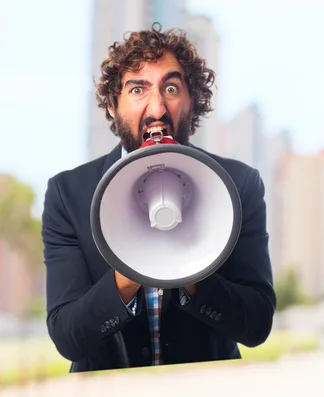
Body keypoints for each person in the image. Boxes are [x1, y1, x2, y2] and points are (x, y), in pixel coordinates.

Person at [41, 23, 276, 373]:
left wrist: (187, 265)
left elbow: (256, 326)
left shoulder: (238, 185)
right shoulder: (68, 194)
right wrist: (133, 267)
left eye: (170, 87)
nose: (156, 108)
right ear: (112, 104)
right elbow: (68, 337)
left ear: (192, 101)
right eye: (138, 89)